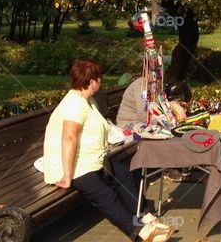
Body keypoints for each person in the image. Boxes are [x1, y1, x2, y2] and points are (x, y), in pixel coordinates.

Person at [42, 59, 173, 241]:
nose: (100, 81)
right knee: (105, 194)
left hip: (89, 161)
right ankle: (141, 232)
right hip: (72, 166)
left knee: (122, 173)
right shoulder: (74, 104)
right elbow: (69, 138)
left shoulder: (88, 101)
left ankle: (145, 216)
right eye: (99, 78)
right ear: (91, 81)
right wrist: (66, 175)